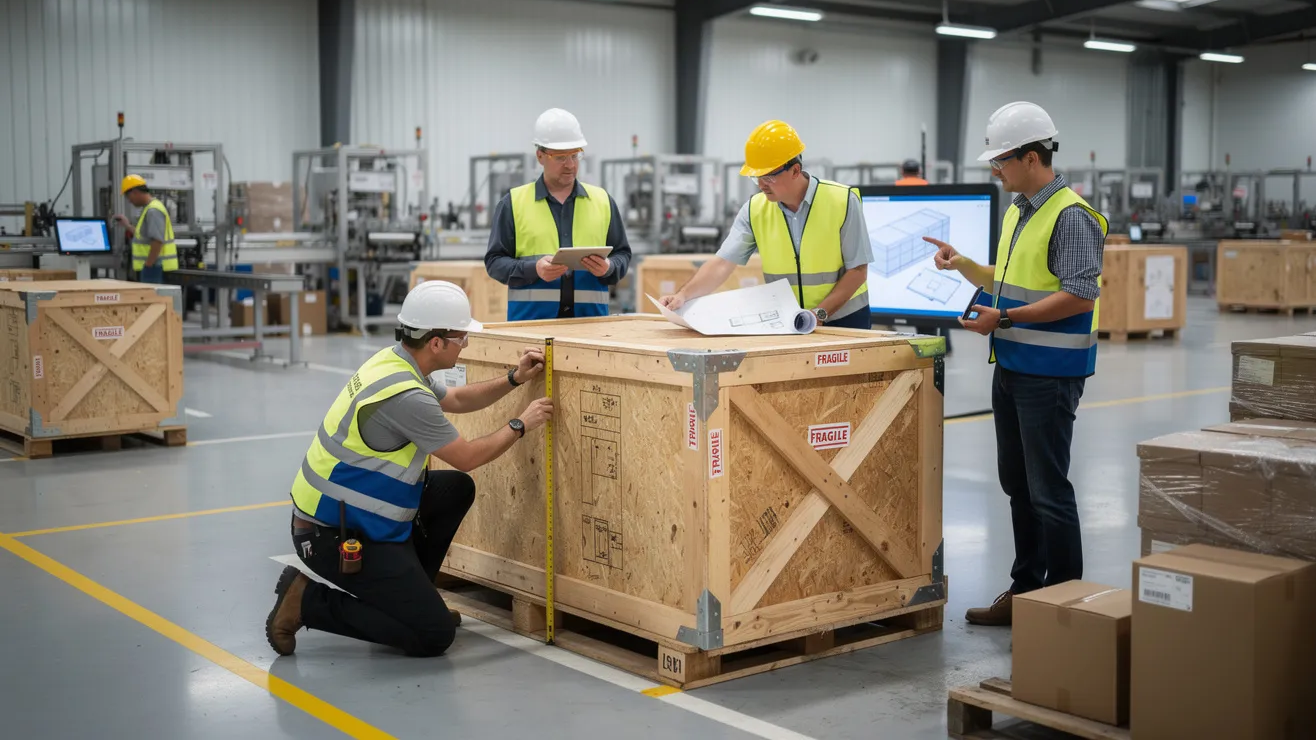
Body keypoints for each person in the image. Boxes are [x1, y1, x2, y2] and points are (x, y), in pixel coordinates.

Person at [265, 280, 554, 657]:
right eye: (460, 338)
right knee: (432, 635)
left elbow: (456, 398)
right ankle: (305, 601)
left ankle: (412, 599)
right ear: (436, 342)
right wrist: (521, 424)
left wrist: (514, 378)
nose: (464, 344)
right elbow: (467, 456)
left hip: (350, 516)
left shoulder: (396, 361)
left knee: (455, 489)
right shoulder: (406, 397)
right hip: (331, 535)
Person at [923, 101, 1107, 627]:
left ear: (1031, 157)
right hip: (1013, 367)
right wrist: (962, 265)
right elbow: (1005, 282)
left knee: (1049, 491)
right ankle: (1026, 592)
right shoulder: (1020, 209)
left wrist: (1002, 318)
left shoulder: (1071, 216)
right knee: (1018, 485)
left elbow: (1079, 297)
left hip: (1050, 377)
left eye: (1000, 160)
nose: (994, 170)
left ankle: (1064, 607)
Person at [658, 120, 873, 330]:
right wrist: (683, 295)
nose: (761, 185)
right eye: (756, 177)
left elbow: (858, 270)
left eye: (768, 177)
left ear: (795, 170)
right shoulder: (755, 210)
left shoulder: (842, 201)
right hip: (790, 322)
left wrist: (820, 314)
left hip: (846, 321)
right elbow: (722, 264)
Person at [485, 108, 632, 321]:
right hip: (531, 328)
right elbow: (494, 262)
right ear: (540, 156)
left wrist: (609, 267)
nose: (570, 165)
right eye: (561, 157)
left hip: (591, 327)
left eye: (575, 155)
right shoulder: (513, 203)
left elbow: (623, 255)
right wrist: (533, 268)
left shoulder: (603, 201)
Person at [113, 175, 178, 283]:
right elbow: (144, 237)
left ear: (135, 192)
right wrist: (127, 225)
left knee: (153, 299)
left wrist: (148, 265)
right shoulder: (149, 208)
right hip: (154, 266)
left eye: (128, 196)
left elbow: (157, 241)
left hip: (155, 267)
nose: (129, 201)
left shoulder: (153, 211)